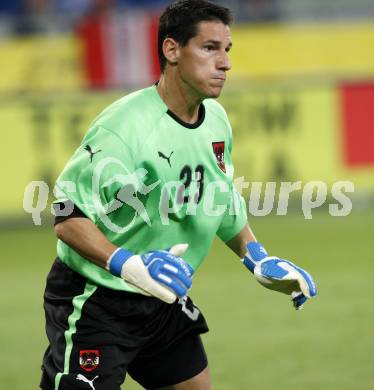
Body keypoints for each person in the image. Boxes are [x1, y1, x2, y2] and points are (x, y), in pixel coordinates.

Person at [40, 1, 317, 389]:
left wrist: (256, 256)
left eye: (227, 50)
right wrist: (130, 265)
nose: (225, 63)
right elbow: (68, 216)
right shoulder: (123, 129)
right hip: (96, 299)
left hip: (163, 298)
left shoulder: (216, 120)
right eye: (209, 48)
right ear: (172, 50)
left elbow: (220, 200)